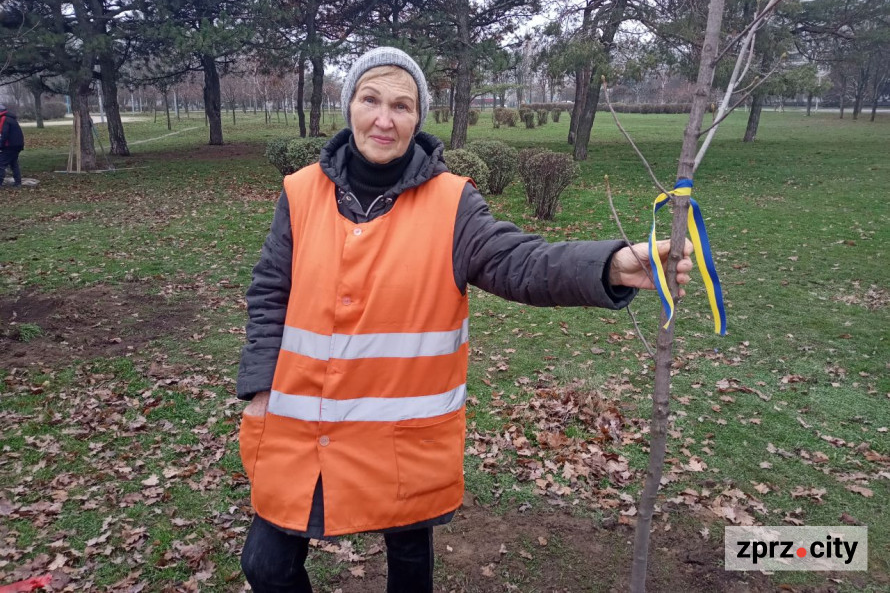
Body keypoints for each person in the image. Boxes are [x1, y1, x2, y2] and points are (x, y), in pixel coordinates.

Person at [237, 47, 694, 592]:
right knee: (266, 564)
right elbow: (270, 293)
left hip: (401, 435)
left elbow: (518, 261)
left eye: (402, 106)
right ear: (349, 106)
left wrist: (611, 266)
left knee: (409, 562)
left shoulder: (450, 203)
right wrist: (261, 389)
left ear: (418, 118)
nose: (385, 119)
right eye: (371, 100)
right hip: (303, 426)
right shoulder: (301, 192)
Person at [0, 105, 25, 188]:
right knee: (13, 163)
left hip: (10, 145)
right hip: (17, 145)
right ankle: (18, 183)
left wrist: (1, 145)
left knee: (1, 164)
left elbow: (4, 134)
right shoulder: (10, 118)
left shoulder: (4, 119)